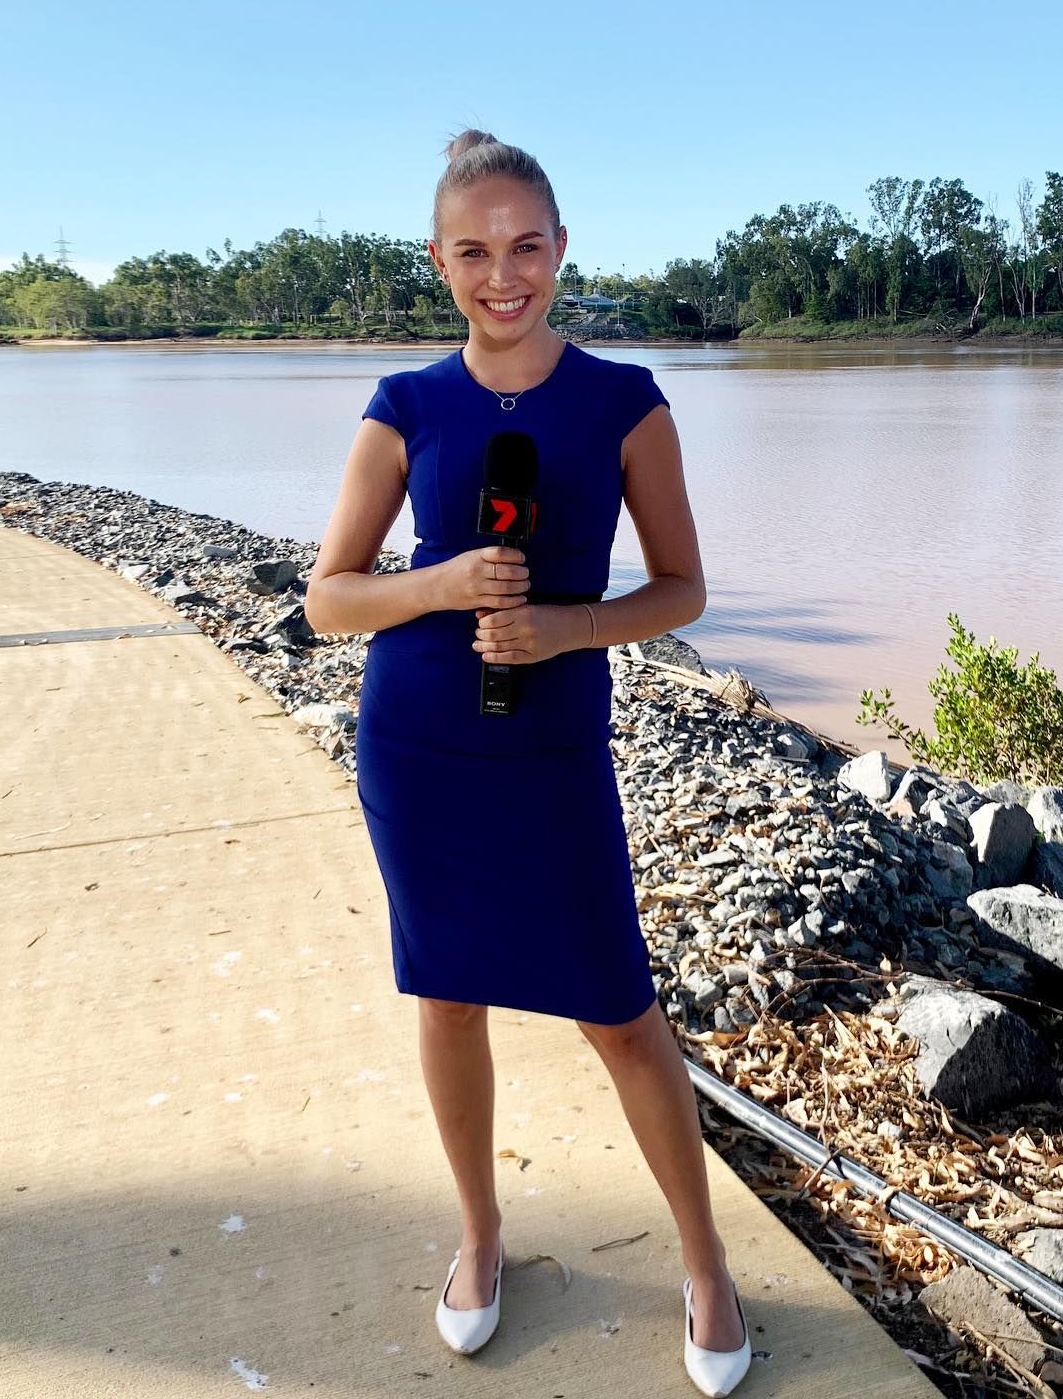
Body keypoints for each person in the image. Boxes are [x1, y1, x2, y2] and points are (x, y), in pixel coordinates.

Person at [305, 128, 751, 1396]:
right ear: (438, 261)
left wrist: (565, 627)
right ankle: (481, 1236)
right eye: (474, 251)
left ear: (562, 249)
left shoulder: (626, 401)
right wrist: (440, 583)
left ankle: (707, 1263)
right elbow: (329, 599)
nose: (502, 275)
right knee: (448, 999)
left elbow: (681, 588)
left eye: (525, 247)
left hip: (552, 746)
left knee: (618, 1009)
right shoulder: (405, 404)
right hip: (420, 744)